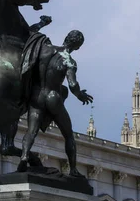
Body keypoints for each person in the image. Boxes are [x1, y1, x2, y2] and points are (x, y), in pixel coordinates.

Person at [18, 30, 92, 176]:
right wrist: (80, 95)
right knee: (68, 135)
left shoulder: (45, 49)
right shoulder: (69, 60)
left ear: (65, 38)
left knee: (31, 131)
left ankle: (24, 155)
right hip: (53, 96)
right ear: (77, 47)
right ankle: (73, 170)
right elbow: (72, 85)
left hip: (37, 95)